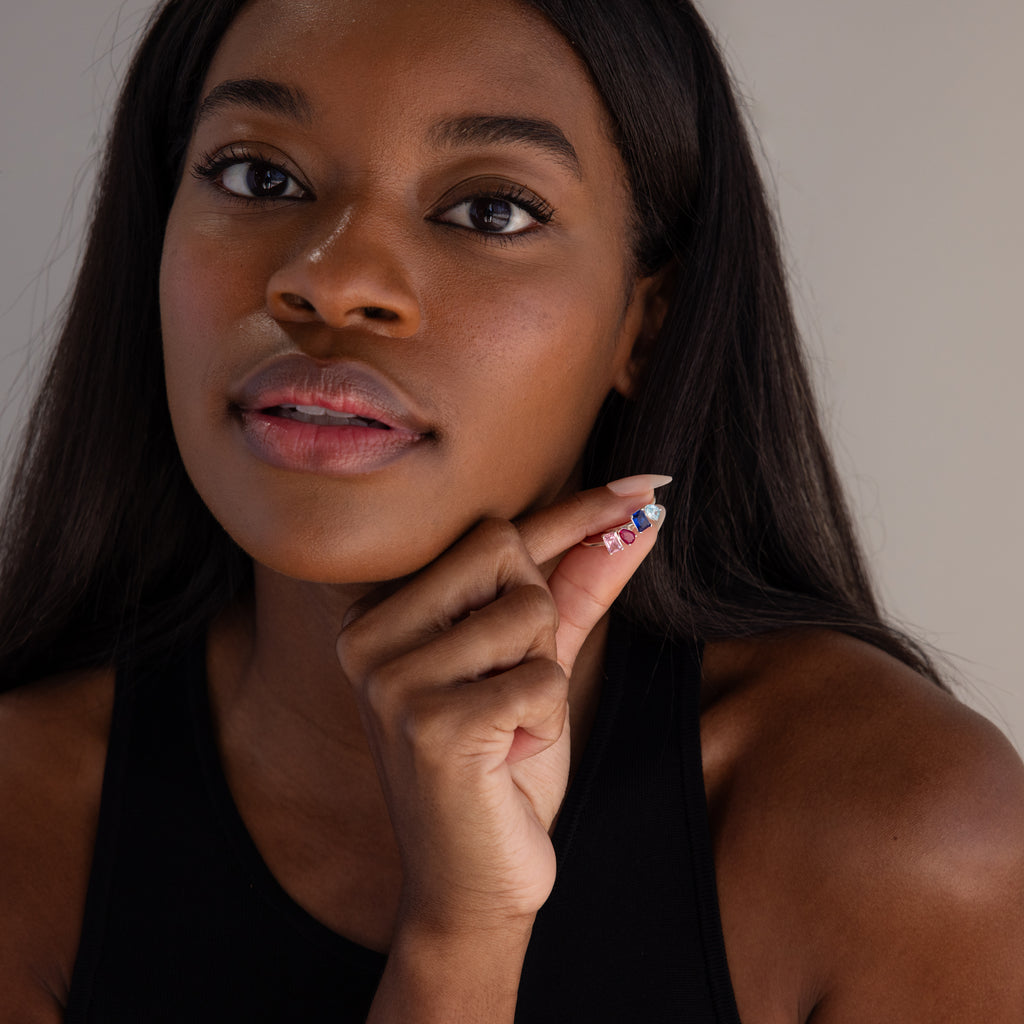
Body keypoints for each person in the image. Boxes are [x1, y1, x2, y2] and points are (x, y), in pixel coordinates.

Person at [1, 0, 1022, 1020]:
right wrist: (460, 942)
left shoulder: (903, 836)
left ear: (644, 323)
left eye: (489, 210)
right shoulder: (22, 825)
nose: (332, 279)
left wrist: (469, 930)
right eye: (256, 175)